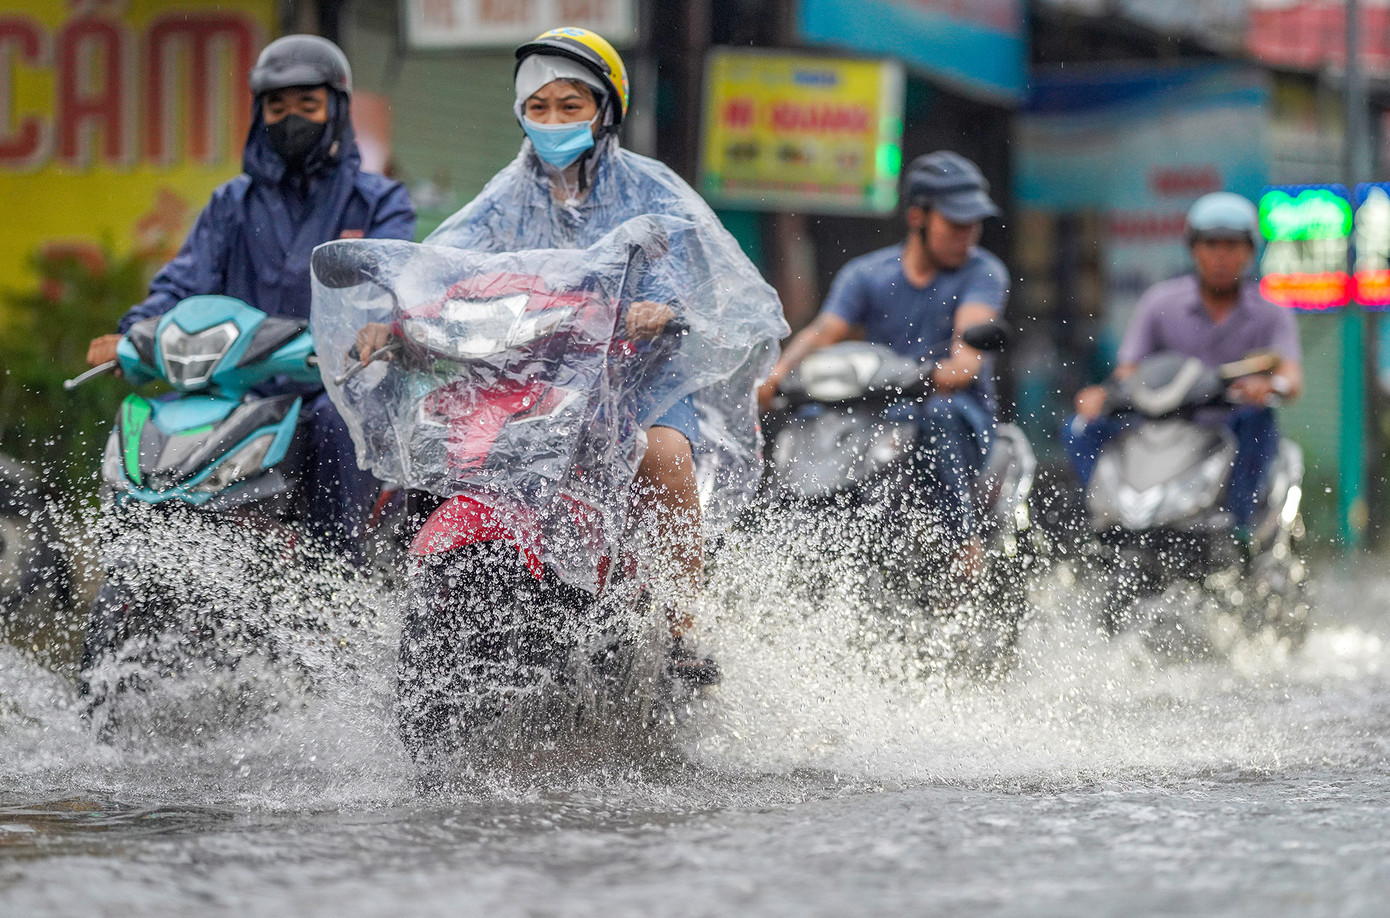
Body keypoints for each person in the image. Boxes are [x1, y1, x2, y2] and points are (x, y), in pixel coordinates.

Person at [353, 27, 785, 681]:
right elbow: (444, 261)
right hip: (535, 378)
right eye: (539, 108)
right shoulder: (504, 195)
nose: (552, 121)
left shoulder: (650, 188)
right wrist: (395, 320)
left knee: (666, 455)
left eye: (570, 106)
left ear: (606, 110)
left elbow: (688, 263)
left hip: (638, 380)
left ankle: (678, 627)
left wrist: (660, 309)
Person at [85, 34, 416, 550]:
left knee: (336, 427)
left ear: (337, 108)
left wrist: (373, 328)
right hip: (240, 383)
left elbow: (393, 282)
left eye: (308, 104)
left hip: (330, 384)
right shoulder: (231, 204)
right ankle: (134, 574)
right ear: (259, 112)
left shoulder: (378, 202)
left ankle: (337, 580)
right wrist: (132, 333)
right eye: (276, 106)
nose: (291, 118)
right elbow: (183, 282)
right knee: (162, 427)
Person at [757, 150, 1009, 577]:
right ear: (918, 217)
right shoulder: (866, 275)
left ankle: (961, 542)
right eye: (956, 222)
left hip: (958, 411)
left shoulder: (983, 273)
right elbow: (823, 332)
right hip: (879, 406)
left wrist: (955, 369)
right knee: (807, 421)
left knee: (939, 413)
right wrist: (776, 375)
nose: (968, 234)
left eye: (974, 223)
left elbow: (967, 352)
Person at [1063, 191, 1304, 528]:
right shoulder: (1160, 302)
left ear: (1250, 251)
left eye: (1232, 245)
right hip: (1162, 426)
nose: (1221, 256)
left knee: (1259, 422)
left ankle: (1238, 526)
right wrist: (1104, 395)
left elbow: (1290, 379)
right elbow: (1128, 371)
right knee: (1080, 428)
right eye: (1211, 244)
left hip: (1226, 425)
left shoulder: (1271, 314)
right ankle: (1107, 517)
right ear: (1193, 249)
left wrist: (1268, 386)